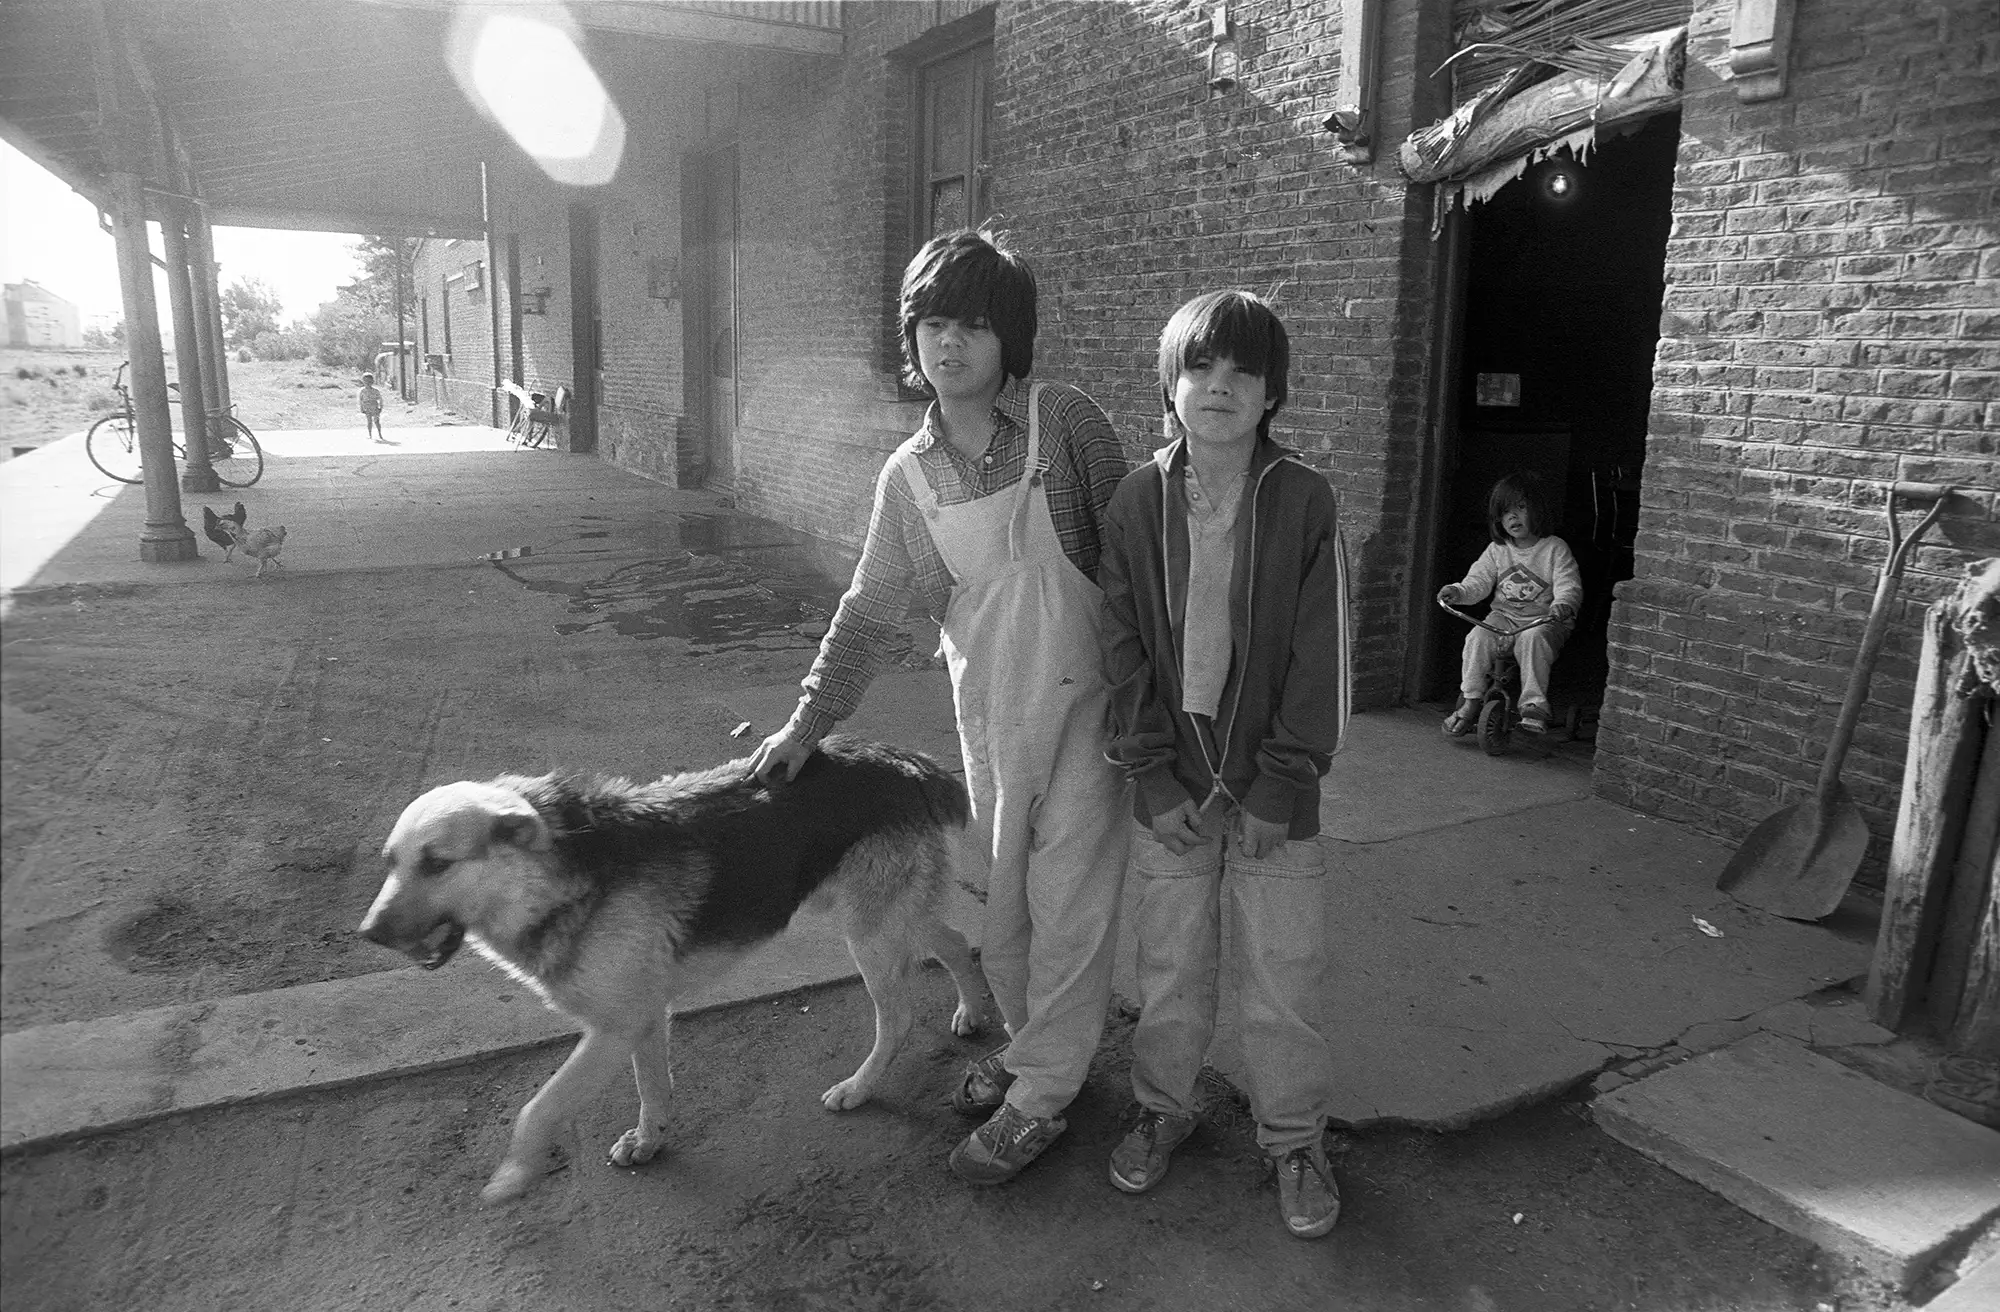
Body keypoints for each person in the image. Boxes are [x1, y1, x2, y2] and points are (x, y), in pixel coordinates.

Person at [748, 229, 1131, 1185]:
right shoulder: (909, 477)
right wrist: (806, 725)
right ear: (911, 336)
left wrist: (1151, 703)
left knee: (1070, 909)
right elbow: (870, 610)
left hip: (1094, 714)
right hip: (994, 721)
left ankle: (1042, 1094)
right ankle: (1034, 1047)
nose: (950, 342)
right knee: (1006, 913)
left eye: (974, 324)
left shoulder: (1064, 424)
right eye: (932, 323)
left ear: (1011, 337)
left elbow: (1135, 568)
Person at [1099, 289, 1352, 1239]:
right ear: (1170, 383)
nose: (1220, 386)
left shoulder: (1304, 500)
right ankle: (1163, 1107)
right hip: (1173, 790)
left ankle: (1294, 1139)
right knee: (1169, 969)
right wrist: (1149, 774)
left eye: (1245, 372)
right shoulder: (1138, 499)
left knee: (1284, 979)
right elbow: (1122, 644)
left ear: (1272, 393)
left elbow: (1322, 654)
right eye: (1200, 367)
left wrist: (1284, 780)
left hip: (1274, 794)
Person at [1437, 471, 1581, 735]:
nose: (1513, 517)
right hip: (1503, 619)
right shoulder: (1497, 549)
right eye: (1505, 512)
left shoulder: (1554, 549)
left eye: (1521, 508)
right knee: (1477, 638)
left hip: (1544, 621)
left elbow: (1568, 583)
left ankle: (1534, 705)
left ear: (1538, 509)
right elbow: (1478, 581)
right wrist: (1458, 592)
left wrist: (1563, 603)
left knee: (1533, 639)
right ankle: (1471, 699)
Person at [359, 372, 386, 443]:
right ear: (363, 382)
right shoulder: (362, 391)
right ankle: (370, 434)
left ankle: (380, 434)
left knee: (377, 421)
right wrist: (361, 408)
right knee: (369, 421)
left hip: (374, 407)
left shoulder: (375, 391)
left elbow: (380, 399)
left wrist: (380, 407)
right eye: (366, 381)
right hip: (367, 408)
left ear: (372, 382)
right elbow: (361, 400)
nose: (367, 383)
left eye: (369, 381)